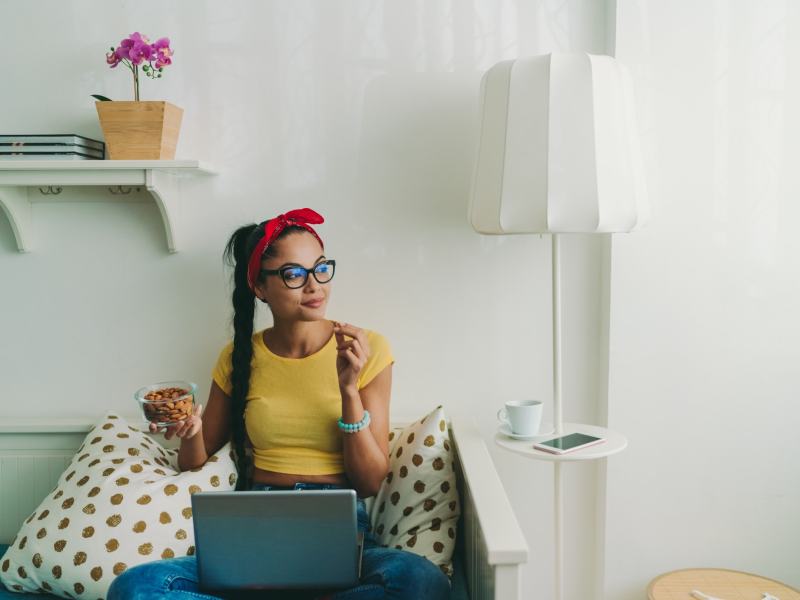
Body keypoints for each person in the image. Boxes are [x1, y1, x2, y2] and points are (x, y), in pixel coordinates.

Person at [108, 208, 451, 600]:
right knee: (136, 587)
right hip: (257, 525)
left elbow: (370, 481)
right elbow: (194, 462)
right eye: (294, 274)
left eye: (321, 269)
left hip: (340, 530)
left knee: (419, 581)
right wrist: (190, 432)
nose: (314, 286)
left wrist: (349, 391)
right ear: (260, 287)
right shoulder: (237, 357)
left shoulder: (364, 349)